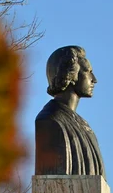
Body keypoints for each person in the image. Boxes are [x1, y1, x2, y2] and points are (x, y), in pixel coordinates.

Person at [35, 46, 105, 176]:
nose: (94, 79)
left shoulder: (85, 127)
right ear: (71, 74)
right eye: (88, 71)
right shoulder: (50, 120)